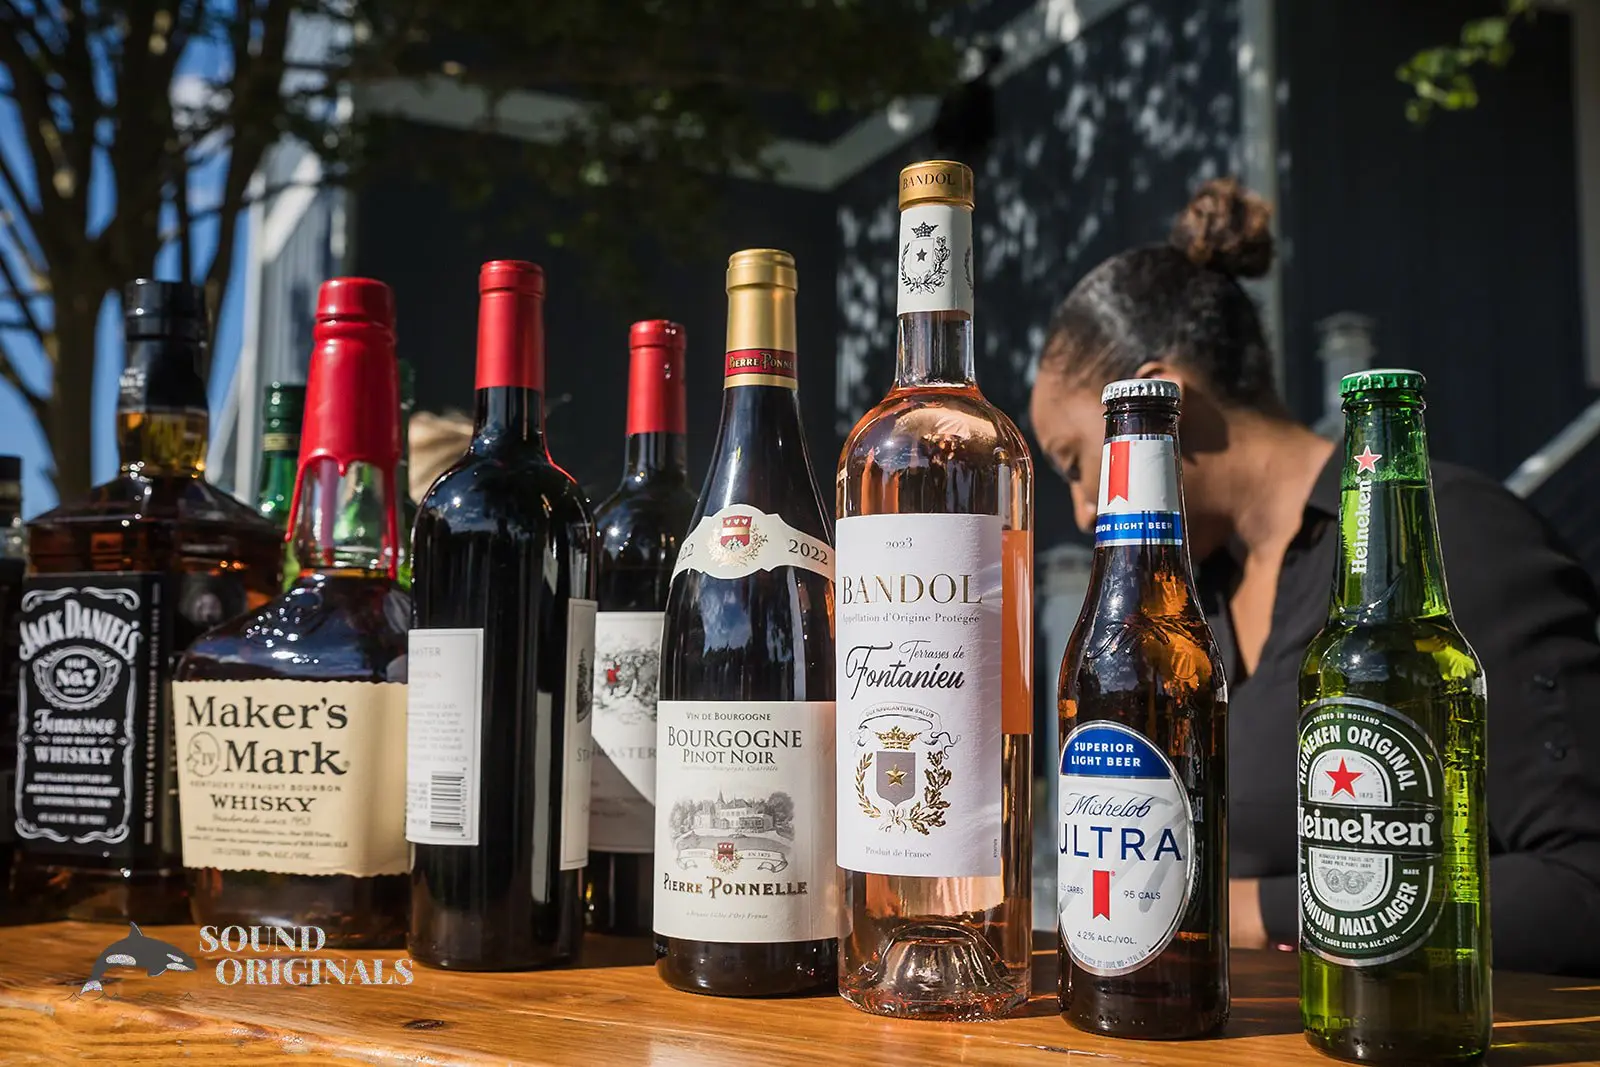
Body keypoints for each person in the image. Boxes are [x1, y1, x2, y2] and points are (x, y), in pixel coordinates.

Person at [1029, 177, 1600, 977]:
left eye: (1076, 464)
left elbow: (1581, 884)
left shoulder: (1447, 536)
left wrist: (1250, 910)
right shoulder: (1196, 602)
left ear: (1161, 407)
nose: (1084, 510)